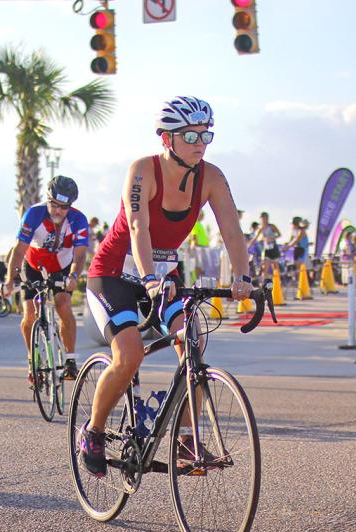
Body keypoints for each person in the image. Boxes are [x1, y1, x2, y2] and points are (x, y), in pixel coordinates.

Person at [81, 96, 251, 477]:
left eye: (206, 134)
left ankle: (185, 437)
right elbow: (139, 227)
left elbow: (232, 230)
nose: (200, 142)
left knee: (193, 341)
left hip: (163, 275)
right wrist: (149, 278)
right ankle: (92, 431)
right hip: (114, 273)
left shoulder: (212, 176)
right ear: (166, 138)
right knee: (128, 355)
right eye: (190, 134)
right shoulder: (142, 170)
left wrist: (244, 278)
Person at [4, 175, 88, 384]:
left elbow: (79, 255)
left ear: (71, 206)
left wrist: (74, 276)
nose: (57, 210)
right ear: (47, 199)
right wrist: (9, 279)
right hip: (33, 265)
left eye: (63, 206)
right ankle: (33, 359)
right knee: (29, 313)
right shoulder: (34, 214)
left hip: (62, 266)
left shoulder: (78, 219)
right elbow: (19, 250)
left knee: (63, 304)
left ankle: (69, 359)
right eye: (53, 204)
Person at [249, 212, 281, 280]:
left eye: (265, 218)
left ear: (267, 218)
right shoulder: (260, 228)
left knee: (275, 267)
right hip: (266, 249)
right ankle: (264, 284)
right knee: (264, 268)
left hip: (273, 248)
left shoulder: (271, 226)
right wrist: (248, 245)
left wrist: (272, 238)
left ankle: (277, 284)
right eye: (262, 218)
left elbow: (279, 234)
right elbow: (255, 238)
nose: (263, 220)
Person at [188, 209, 210, 279]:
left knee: (202, 266)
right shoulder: (195, 223)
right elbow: (194, 236)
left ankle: (201, 279)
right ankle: (199, 280)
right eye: (202, 214)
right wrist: (195, 247)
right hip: (198, 248)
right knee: (198, 266)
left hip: (202, 248)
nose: (203, 216)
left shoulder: (199, 224)